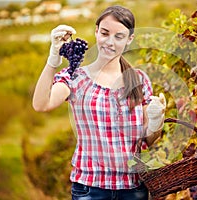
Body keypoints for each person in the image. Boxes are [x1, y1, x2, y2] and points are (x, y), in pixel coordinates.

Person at [32, 5, 166, 200]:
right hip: (90, 188)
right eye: (105, 33)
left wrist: (156, 121)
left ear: (129, 39)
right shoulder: (75, 77)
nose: (110, 42)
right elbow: (41, 104)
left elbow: (149, 139)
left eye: (119, 36)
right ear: (96, 32)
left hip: (133, 188)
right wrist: (53, 59)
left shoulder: (139, 80)